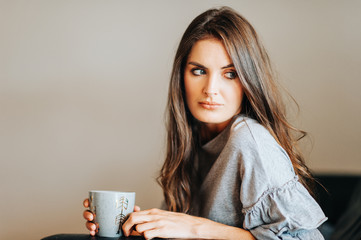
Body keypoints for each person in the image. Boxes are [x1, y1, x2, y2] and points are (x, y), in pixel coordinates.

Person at [83, 6, 327, 239]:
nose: (211, 89)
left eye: (230, 74)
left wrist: (198, 228)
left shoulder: (250, 140)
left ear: (248, 80)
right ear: (182, 77)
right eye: (199, 71)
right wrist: (140, 224)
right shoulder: (193, 142)